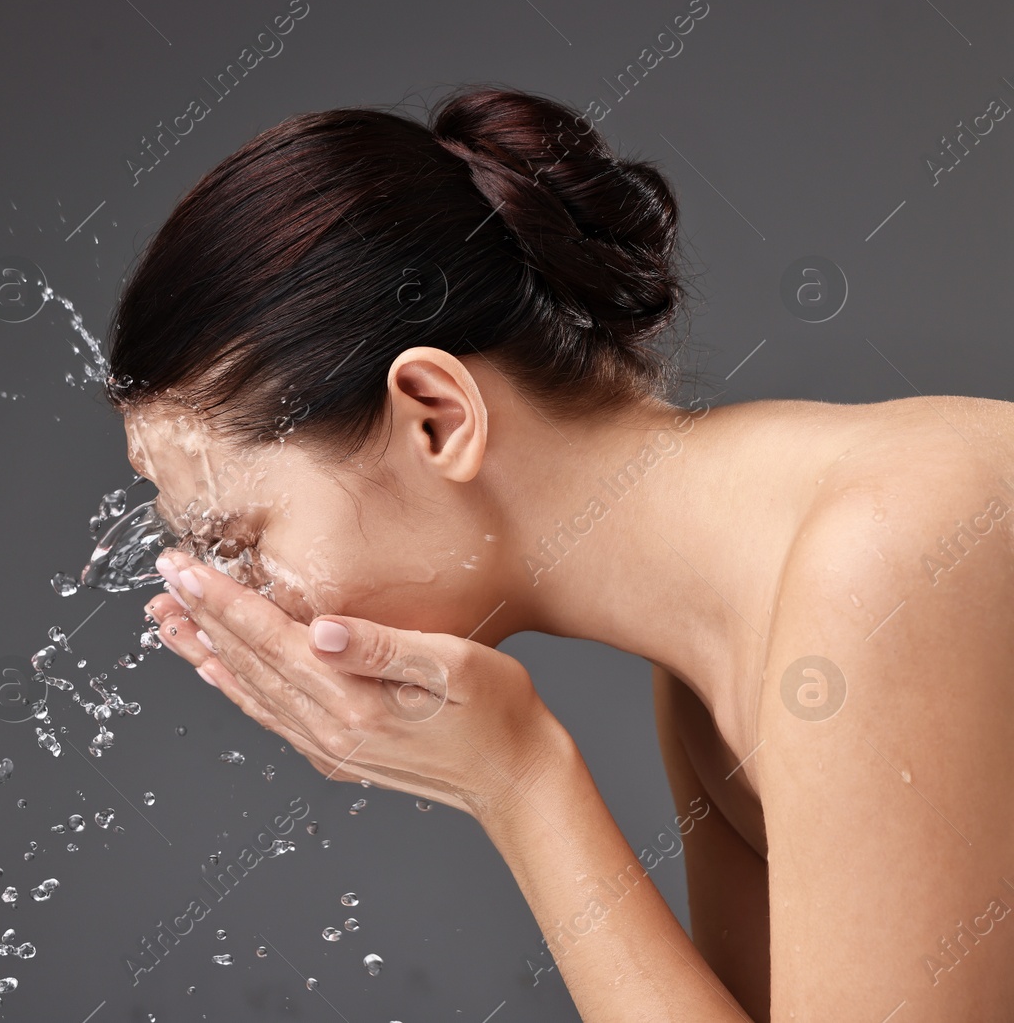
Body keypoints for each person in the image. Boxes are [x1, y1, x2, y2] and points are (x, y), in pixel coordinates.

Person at [102, 82, 1014, 1021]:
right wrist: (517, 776)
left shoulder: (888, 560)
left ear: (437, 418)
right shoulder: (712, 678)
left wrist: (525, 785)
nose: (238, 596)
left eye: (242, 537)